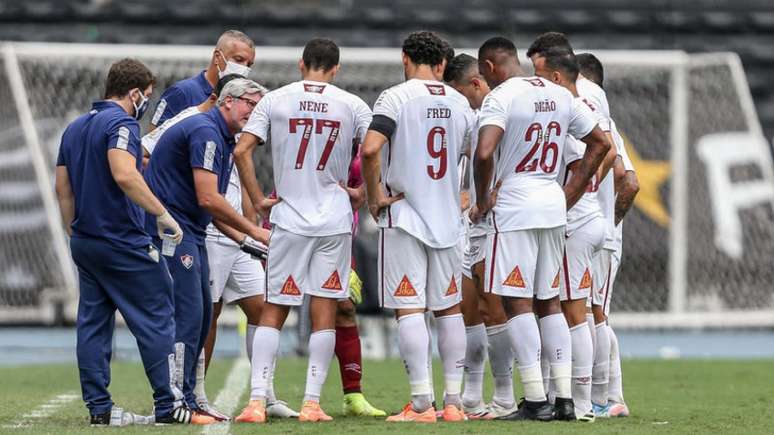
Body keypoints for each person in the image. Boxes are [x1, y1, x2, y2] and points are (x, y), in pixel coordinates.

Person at [54, 58, 203, 425]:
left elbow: (62, 187)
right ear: (134, 92)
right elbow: (124, 174)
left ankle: (99, 410)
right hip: (122, 241)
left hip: (86, 241)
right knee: (157, 317)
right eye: (147, 97)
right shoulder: (121, 123)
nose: (147, 104)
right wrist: (162, 214)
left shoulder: (74, 127)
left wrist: (74, 231)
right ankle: (169, 406)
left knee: (93, 323)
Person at [143, 74, 298, 420]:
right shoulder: (206, 131)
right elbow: (209, 198)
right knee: (189, 316)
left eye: (259, 107)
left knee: (199, 315)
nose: (254, 112)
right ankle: (175, 402)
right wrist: (256, 234)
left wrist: (246, 238)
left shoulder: (222, 136)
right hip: (175, 234)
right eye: (250, 104)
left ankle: (192, 397)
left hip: (193, 232)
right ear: (227, 100)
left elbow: (209, 209)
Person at [233, 38, 372, 423]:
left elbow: (242, 150)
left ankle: (257, 401)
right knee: (324, 310)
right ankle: (312, 403)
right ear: (335, 68)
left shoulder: (275, 99)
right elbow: (377, 148)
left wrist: (259, 198)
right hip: (333, 220)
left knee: (276, 308)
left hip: (288, 218)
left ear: (301, 63)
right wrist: (365, 191)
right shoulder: (352, 104)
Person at [471, 36, 610, 421]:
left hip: (515, 205)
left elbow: (484, 153)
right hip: (552, 203)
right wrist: (569, 192)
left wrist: (483, 200)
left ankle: (534, 399)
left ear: (488, 68)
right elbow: (600, 144)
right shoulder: (561, 93)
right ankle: (564, 399)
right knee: (550, 302)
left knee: (516, 302)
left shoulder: (502, 97)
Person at [362, 31, 475, 423]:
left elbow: (371, 148)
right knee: (449, 310)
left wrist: (375, 195)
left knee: (410, 309)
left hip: (405, 216)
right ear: (442, 65)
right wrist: (468, 194)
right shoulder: (461, 102)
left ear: (405, 59)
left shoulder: (395, 97)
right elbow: (477, 154)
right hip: (448, 220)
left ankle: (422, 404)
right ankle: (455, 403)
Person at [531, 47, 614, 422]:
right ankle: (579, 395)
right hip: (593, 218)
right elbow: (608, 151)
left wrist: (563, 201)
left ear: (557, 78)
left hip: (575, 224)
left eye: (541, 74)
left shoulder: (564, 114)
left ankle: (579, 402)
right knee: (579, 312)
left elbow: (582, 161)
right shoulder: (587, 112)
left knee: (573, 313)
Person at [443, 53, 517, 420]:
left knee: (494, 307)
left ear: (476, 82)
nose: (461, 100)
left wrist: (490, 196)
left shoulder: (501, 107)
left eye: (461, 92)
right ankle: (472, 397)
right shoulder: (473, 114)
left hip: (499, 222)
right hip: (468, 223)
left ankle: (505, 395)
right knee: (466, 308)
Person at [577, 52, 640, 418]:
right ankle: (608, 395)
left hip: (593, 231)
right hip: (596, 229)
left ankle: (606, 398)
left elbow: (629, 182)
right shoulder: (598, 120)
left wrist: (608, 223)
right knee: (592, 312)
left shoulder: (601, 125)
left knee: (592, 313)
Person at [149, 30, 255, 131]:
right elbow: (153, 137)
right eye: (239, 60)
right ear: (218, 57)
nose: (245, 68)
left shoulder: (240, 102)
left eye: (249, 65)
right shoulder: (182, 92)